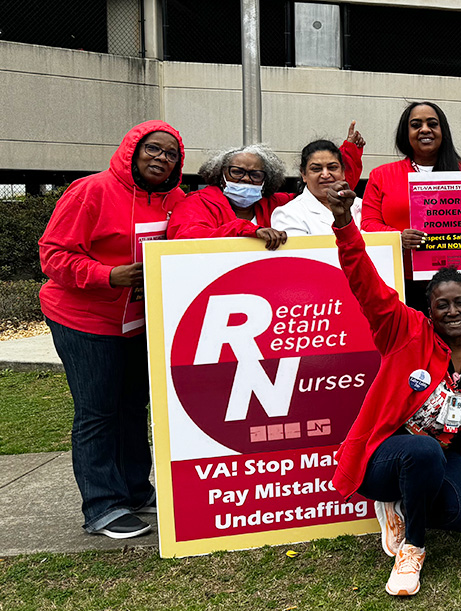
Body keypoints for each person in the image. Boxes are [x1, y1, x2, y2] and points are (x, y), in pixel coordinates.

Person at [323, 180, 461, 597]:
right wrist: (343, 223)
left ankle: (405, 507)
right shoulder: (405, 331)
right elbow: (364, 282)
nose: (452, 311)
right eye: (442, 304)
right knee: (422, 449)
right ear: (429, 309)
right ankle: (413, 545)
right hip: (384, 459)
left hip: (438, 458)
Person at [38, 121, 186, 538]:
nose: (161, 158)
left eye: (170, 154)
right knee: (98, 411)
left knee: (133, 407)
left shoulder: (176, 199)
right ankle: (103, 504)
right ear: (132, 150)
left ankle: (137, 490)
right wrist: (107, 276)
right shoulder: (91, 191)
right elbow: (53, 255)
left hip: (140, 323)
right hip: (85, 319)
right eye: (153, 149)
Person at [359, 101, 461, 314]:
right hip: (404, 281)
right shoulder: (382, 175)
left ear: (443, 131)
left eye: (432, 124)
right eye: (416, 125)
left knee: (450, 345)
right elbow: (368, 224)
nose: (425, 129)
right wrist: (398, 237)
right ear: (406, 133)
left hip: (456, 282)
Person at [167, 123, 364, 246]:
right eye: (236, 172)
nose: (245, 179)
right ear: (221, 175)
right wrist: (248, 230)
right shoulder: (197, 203)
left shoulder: (273, 203)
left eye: (255, 174)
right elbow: (185, 238)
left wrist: (349, 154)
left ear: (266, 180)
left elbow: (324, 191)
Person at [271, 139, 364, 235]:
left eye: (332, 167)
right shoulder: (288, 214)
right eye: (316, 169)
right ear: (303, 174)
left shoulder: (362, 206)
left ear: (343, 172)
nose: (325, 174)